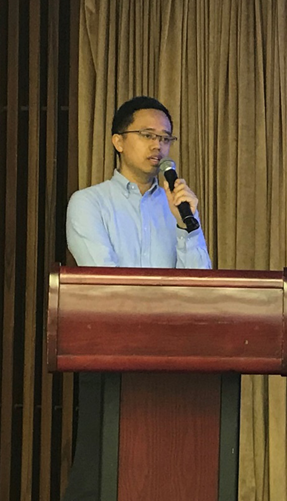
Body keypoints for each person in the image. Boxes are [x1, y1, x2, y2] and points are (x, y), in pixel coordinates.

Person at [63, 96, 211, 499]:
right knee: (104, 475)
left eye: (165, 138)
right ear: (118, 141)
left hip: (172, 363)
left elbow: (201, 288)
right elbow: (106, 282)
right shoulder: (89, 203)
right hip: (109, 354)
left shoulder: (178, 208)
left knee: (166, 476)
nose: (158, 146)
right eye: (147, 135)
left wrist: (187, 227)